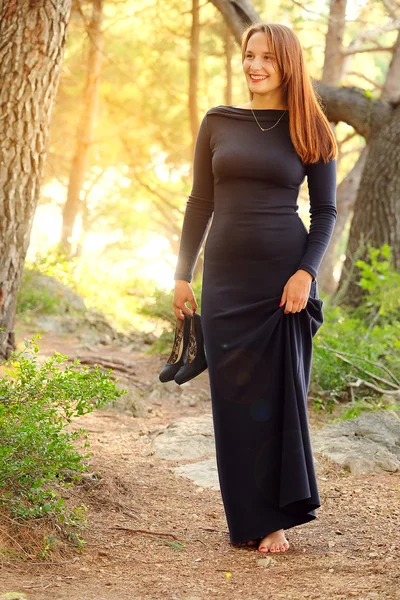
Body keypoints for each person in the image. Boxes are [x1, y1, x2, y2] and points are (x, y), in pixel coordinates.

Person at [172, 22, 338, 554]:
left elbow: (326, 211)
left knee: (278, 399)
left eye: (267, 57)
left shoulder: (312, 128)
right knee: (233, 403)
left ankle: (275, 519)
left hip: (282, 282)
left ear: (287, 63)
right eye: (249, 55)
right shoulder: (218, 122)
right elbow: (201, 202)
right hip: (224, 281)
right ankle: (245, 516)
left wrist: (305, 273)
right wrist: (181, 274)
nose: (255, 65)